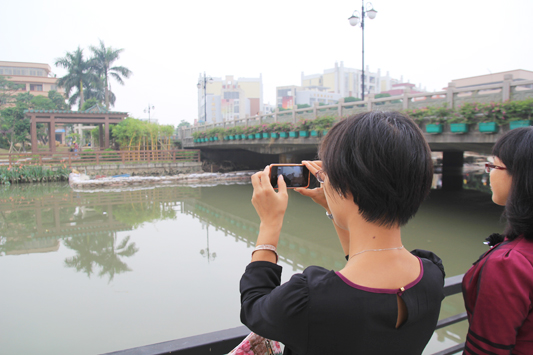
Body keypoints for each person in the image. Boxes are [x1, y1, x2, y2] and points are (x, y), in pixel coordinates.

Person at [240, 111, 446, 355]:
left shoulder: (310, 299)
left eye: (329, 175)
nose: (324, 181)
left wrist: (270, 223)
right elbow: (364, 268)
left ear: (346, 187)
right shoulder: (432, 273)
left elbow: (254, 307)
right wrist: (335, 208)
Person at [462, 127, 533, 354]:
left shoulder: (510, 264)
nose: (488, 173)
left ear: (521, 177)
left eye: (493, 166)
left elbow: (486, 349)